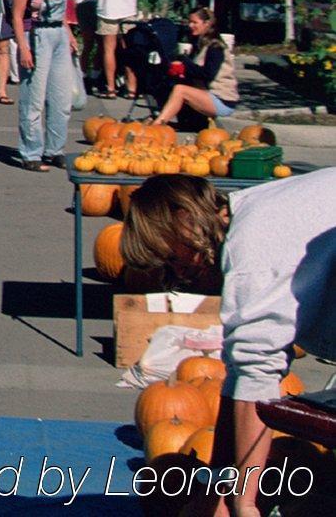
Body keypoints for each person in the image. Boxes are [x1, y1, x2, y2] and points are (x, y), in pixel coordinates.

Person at [118, 170, 336, 516]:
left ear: (185, 221)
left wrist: (243, 503)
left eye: (174, 258)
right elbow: (241, 373)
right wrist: (221, 480)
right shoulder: (254, 216)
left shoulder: (252, 245)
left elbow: (257, 374)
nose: (180, 274)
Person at [10, 0, 80, 172]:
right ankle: (31, 151)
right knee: (34, 99)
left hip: (58, 34)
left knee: (61, 98)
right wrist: (23, 47)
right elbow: (17, 16)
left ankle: (55, 148)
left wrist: (69, 35)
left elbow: (62, 11)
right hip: (37, 35)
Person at [150, 8, 239, 126]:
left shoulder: (215, 46)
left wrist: (184, 67)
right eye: (189, 22)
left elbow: (208, 74)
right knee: (167, 84)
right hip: (208, 95)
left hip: (222, 99)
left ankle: (157, 125)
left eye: (194, 22)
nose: (190, 25)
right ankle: (182, 121)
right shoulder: (200, 44)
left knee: (180, 90)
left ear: (206, 24)